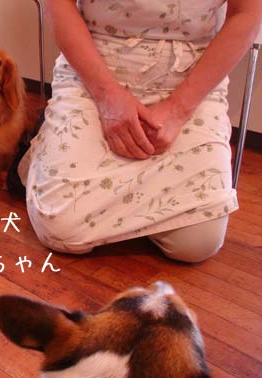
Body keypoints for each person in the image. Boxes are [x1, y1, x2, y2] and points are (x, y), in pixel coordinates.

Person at [18, 0, 261, 262]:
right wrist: (107, 96)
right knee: (60, 228)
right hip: (95, 67)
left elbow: (246, 14)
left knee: (197, 242)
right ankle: (47, 152)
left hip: (192, 77)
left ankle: (90, 193)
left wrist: (178, 109)